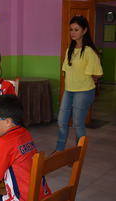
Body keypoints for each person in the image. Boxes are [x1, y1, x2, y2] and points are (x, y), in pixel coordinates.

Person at [0, 95, 51, 201]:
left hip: (21, 199)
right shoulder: (25, 133)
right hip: (42, 195)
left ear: (7, 122)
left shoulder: (4, 142)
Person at [55, 16, 103, 151]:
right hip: (69, 90)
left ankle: (78, 154)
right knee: (61, 121)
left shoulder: (89, 51)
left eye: (76, 29)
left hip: (84, 91)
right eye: (71, 29)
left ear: (84, 31)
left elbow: (98, 73)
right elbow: (65, 71)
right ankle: (59, 150)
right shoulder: (69, 49)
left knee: (77, 124)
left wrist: (90, 79)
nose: (72, 32)